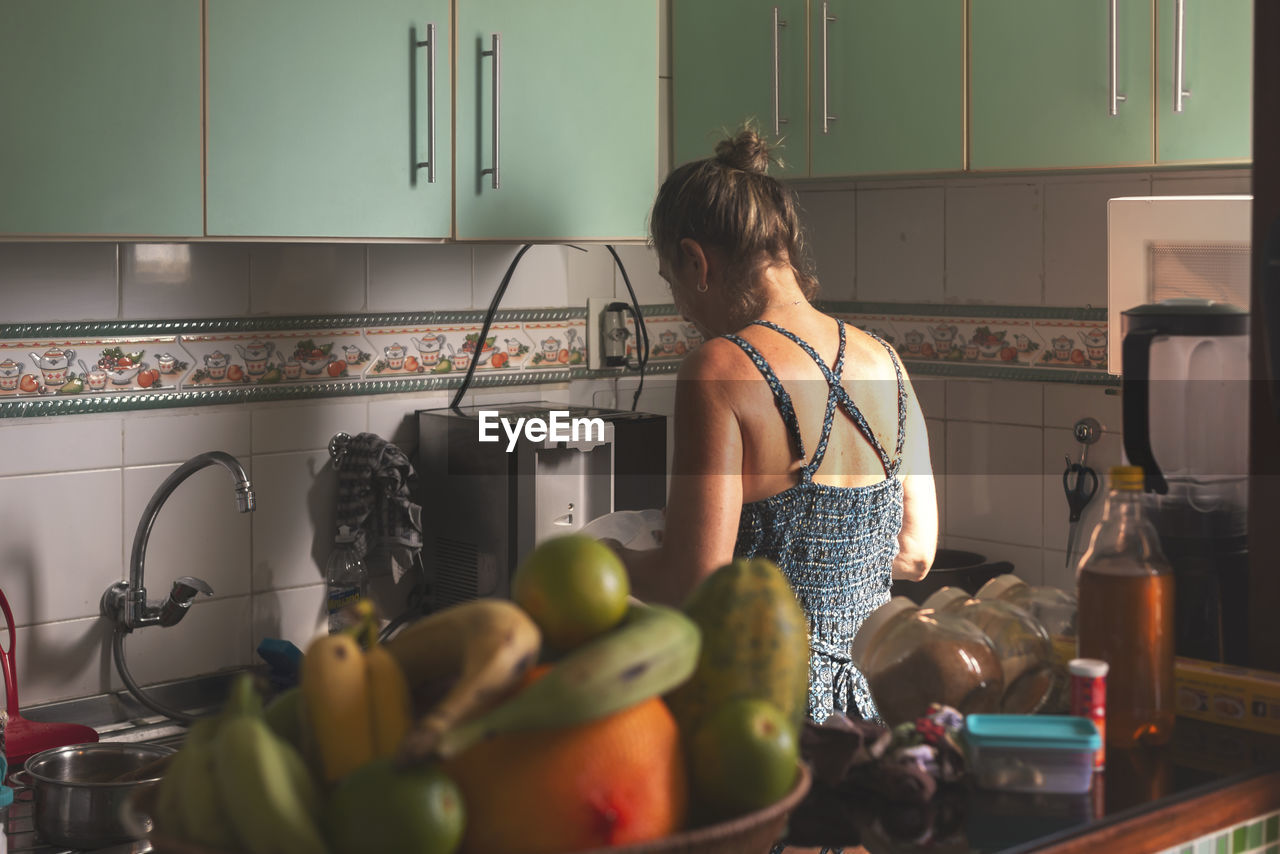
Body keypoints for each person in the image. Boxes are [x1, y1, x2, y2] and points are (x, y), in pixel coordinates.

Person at [611, 128, 938, 725]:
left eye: (671, 282)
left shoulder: (718, 371)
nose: (682, 307)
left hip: (758, 718)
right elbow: (915, 554)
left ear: (696, 260)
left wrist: (605, 559)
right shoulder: (885, 360)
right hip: (868, 709)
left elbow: (692, 581)